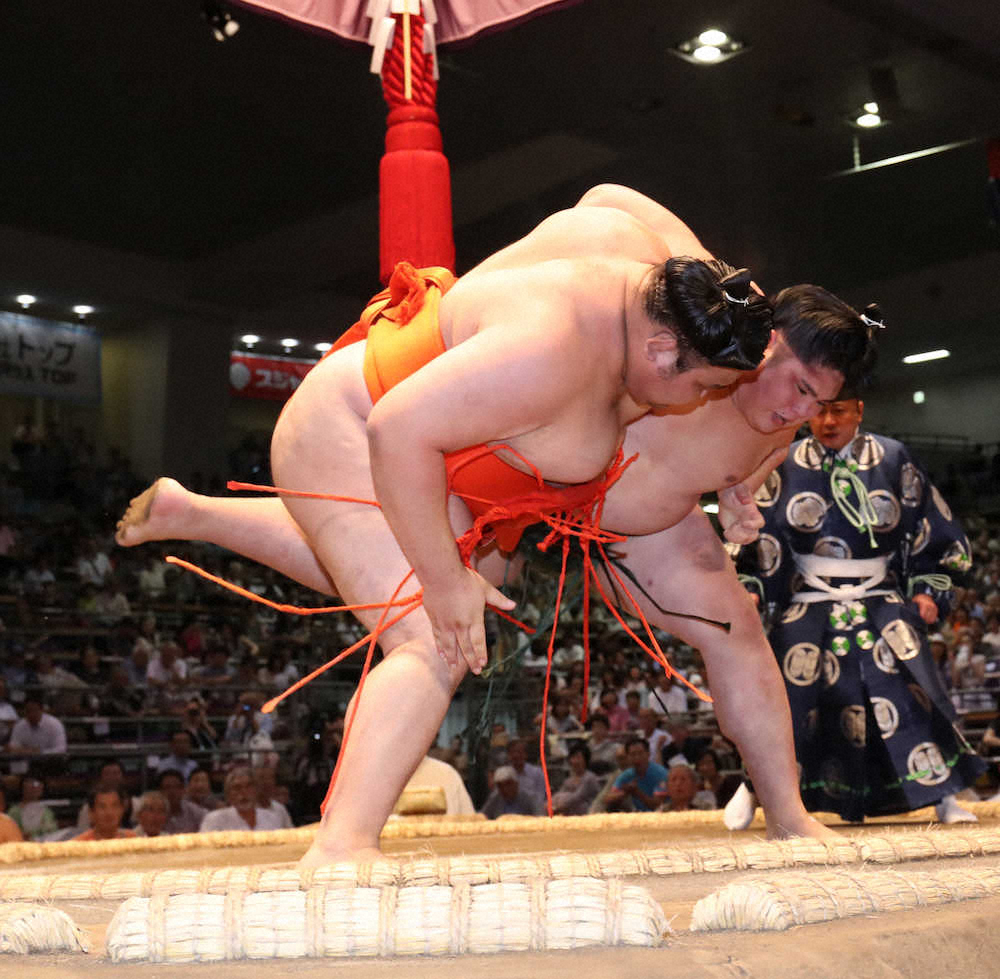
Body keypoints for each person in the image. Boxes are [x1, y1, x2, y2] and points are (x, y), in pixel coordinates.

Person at [115, 184, 872, 861]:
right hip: (366, 424)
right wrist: (444, 583)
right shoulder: (555, 340)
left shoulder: (712, 314)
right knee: (429, 630)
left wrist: (743, 483)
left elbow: (612, 193)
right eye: (708, 385)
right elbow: (398, 431)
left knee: (729, 620)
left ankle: (791, 814)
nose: (792, 411)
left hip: (520, 486)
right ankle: (341, 846)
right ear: (668, 347)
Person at [726, 396, 984, 828]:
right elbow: (755, 533)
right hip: (808, 599)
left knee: (912, 690)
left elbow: (929, 527)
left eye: (840, 410)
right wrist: (750, 587)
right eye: (820, 410)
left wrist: (927, 589)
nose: (828, 421)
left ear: (860, 410)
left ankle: (943, 794)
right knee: (786, 700)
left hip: (879, 596)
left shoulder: (894, 457)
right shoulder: (781, 459)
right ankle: (756, 787)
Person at [199, 767, 285, 832]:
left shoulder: (273, 818)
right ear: (228, 795)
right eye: (237, 788)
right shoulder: (214, 820)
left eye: (249, 786)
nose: (244, 792)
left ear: (256, 790)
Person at [603, 737, 668, 812]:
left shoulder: (660, 773)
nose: (637, 758)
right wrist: (624, 793)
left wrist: (636, 791)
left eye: (640, 753)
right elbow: (607, 799)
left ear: (648, 754)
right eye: (633, 754)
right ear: (628, 757)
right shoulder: (627, 775)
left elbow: (657, 806)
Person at [551, 742, 603, 815]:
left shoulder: (590, 778)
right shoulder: (569, 780)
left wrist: (558, 807)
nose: (575, 761)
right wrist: (551, 803)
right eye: (573, 758)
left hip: (588, 812)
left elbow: (578, 797)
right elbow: (560, 792)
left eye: (578, 758)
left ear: (585, 760)